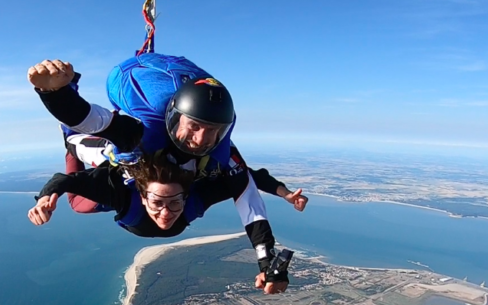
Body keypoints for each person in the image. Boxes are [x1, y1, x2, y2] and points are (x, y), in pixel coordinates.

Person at [28, 57, 308, 212]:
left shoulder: (216, 149)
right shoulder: (141, 133)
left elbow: (245, 176)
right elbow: (90, 119)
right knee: (79, 197)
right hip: (121, 154)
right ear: (175, 119)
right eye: (195, 127)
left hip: (151, 170)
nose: (201, 140)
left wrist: (281, 191)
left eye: (212, 132)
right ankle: (68, 136)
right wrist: (57, 93)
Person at [27, 153, 289, 294]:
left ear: (185, 197)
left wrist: (282, 191)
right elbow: (66, 180)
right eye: (157, 203)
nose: (165, 212)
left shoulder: (197, 198)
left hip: (142, 200)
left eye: (175, 203)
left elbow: (243, 180)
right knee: (78, 205)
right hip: (120, 188)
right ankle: (71, 143)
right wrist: (45, 199)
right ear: (143, 198)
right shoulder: (120, 194)